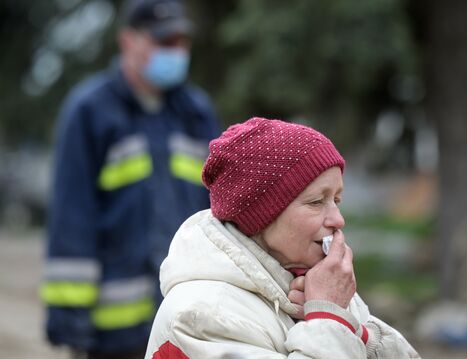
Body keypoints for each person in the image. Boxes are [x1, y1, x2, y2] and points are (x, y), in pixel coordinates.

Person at [145, 117, 421, 358]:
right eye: (316, 202)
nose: (338, 220)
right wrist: (330, 319)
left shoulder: (318, 285)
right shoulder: (202, 314)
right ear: (260, 216)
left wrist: (360, 335)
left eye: (336, 199)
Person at [40, 0, 220, 357]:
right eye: (163, 41)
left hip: (186, 321)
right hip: (113, 334)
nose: (175, 52)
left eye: (180, 42)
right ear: (127, 41)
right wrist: (70, 320)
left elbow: (217, 209)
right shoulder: (89, 112)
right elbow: (71, 217)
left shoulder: (195, 113)